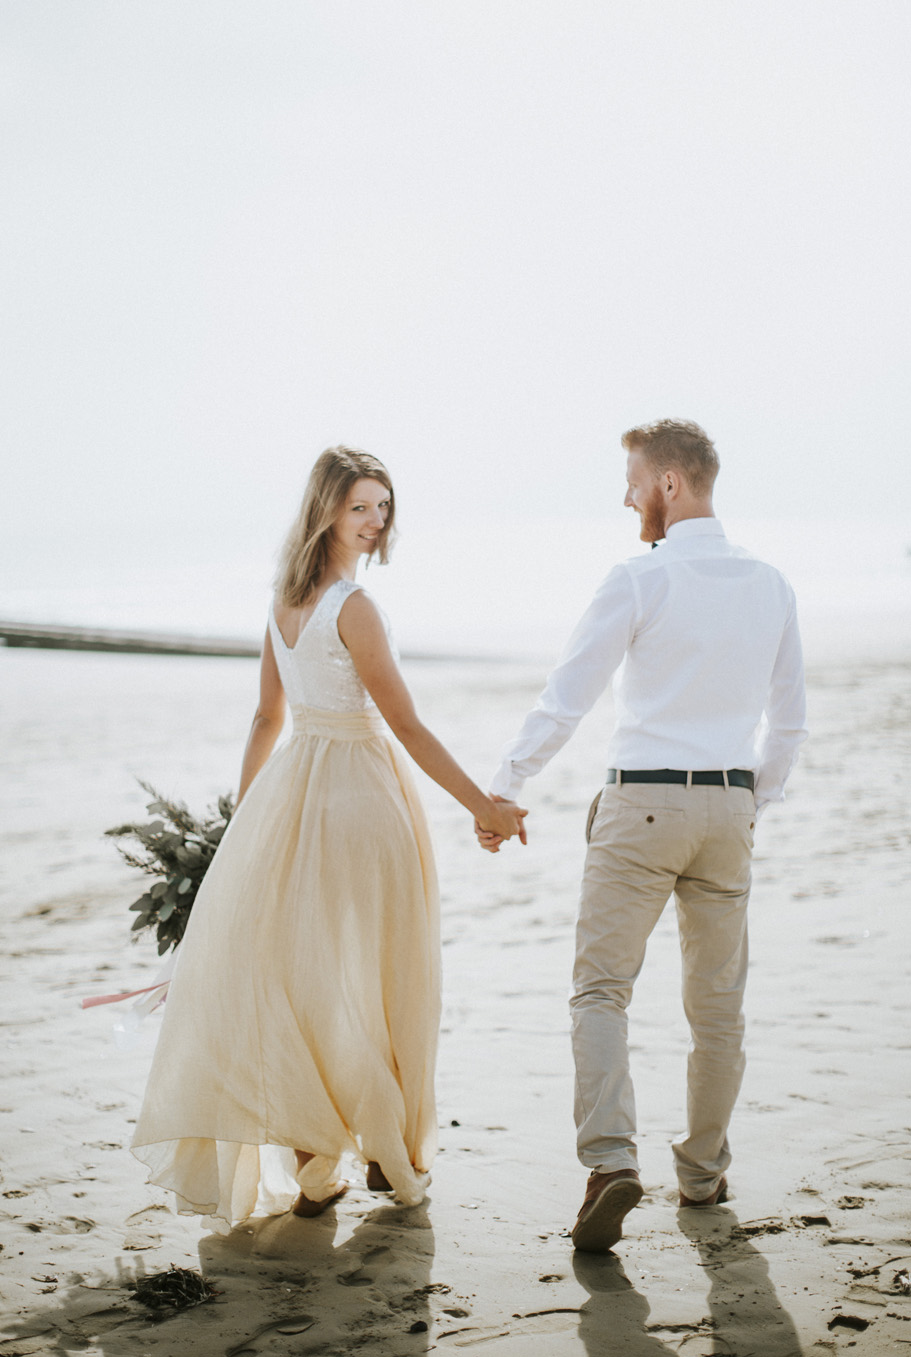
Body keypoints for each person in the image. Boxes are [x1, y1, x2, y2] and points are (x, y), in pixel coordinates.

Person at [132, 445, 526, 1231]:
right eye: (360, 507)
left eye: (383, 506)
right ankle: (379, 1147)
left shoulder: (282, 603)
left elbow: (266, 721)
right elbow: (404, 724)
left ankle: (319, 1164)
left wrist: (245, 828)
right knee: (376, 971)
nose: (376, 522)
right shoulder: (354, 606)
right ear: (326, 512)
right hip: (360, 797)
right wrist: (483, 804)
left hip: (294, 795)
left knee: (311, 976)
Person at [478, 420, 807, 1253]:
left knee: (600, 992)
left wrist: (504, 787)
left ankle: (610, 1162)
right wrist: (748, 804)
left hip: (640, 809)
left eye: (632, 480)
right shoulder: (770, 584)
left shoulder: (637, 579)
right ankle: (701, 1173)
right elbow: (789, 725)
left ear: (668, 483)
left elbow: (567, 697)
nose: (626, 497)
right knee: (718, 1009)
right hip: (728, 810)